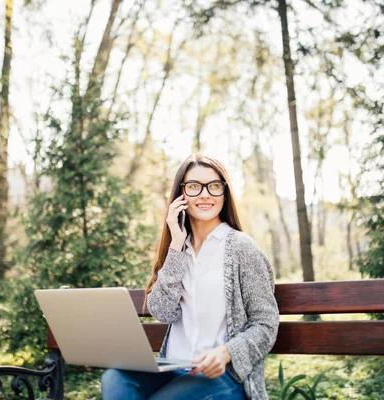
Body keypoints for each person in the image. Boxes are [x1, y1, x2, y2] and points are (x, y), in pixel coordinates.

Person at [102, 154, 280, 400]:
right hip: (173, 367)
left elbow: (266, 324)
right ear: (181, 195)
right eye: (194, 186)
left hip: (223, 376)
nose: (205, 194)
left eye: (214, 186)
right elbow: (163, 312)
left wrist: (226, 353)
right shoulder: (177, 250)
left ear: (224, 194)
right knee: (115, 377)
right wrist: (175, 246)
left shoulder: (243, 249)